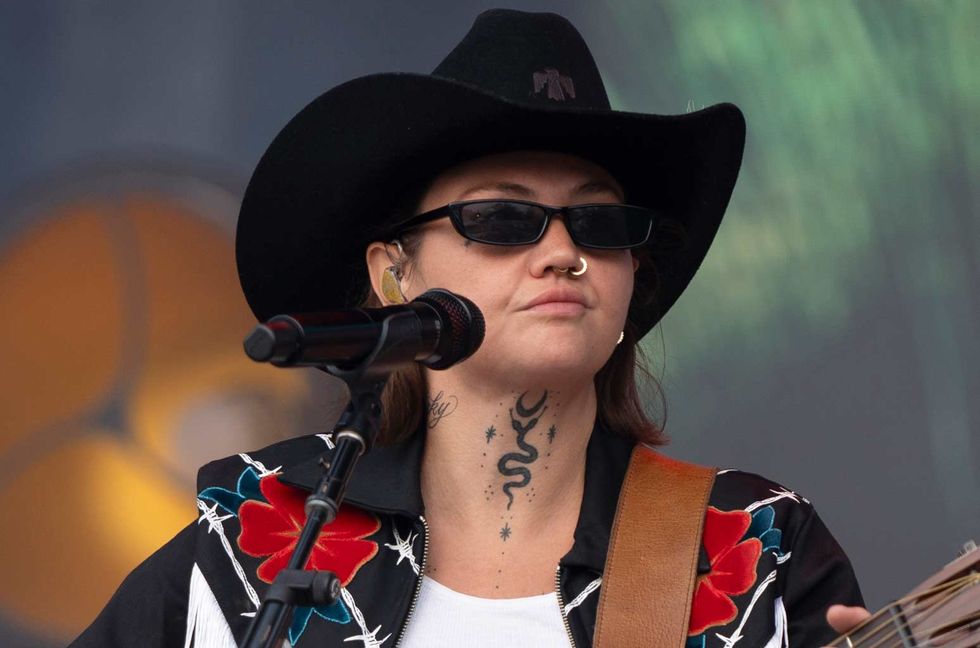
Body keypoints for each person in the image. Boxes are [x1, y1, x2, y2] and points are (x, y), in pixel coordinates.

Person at [71, 9, 869, 647]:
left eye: (600, 222)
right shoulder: (253, 534)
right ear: (394, 275)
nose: (562, 251)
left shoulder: (758, 549)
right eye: (502, 217)